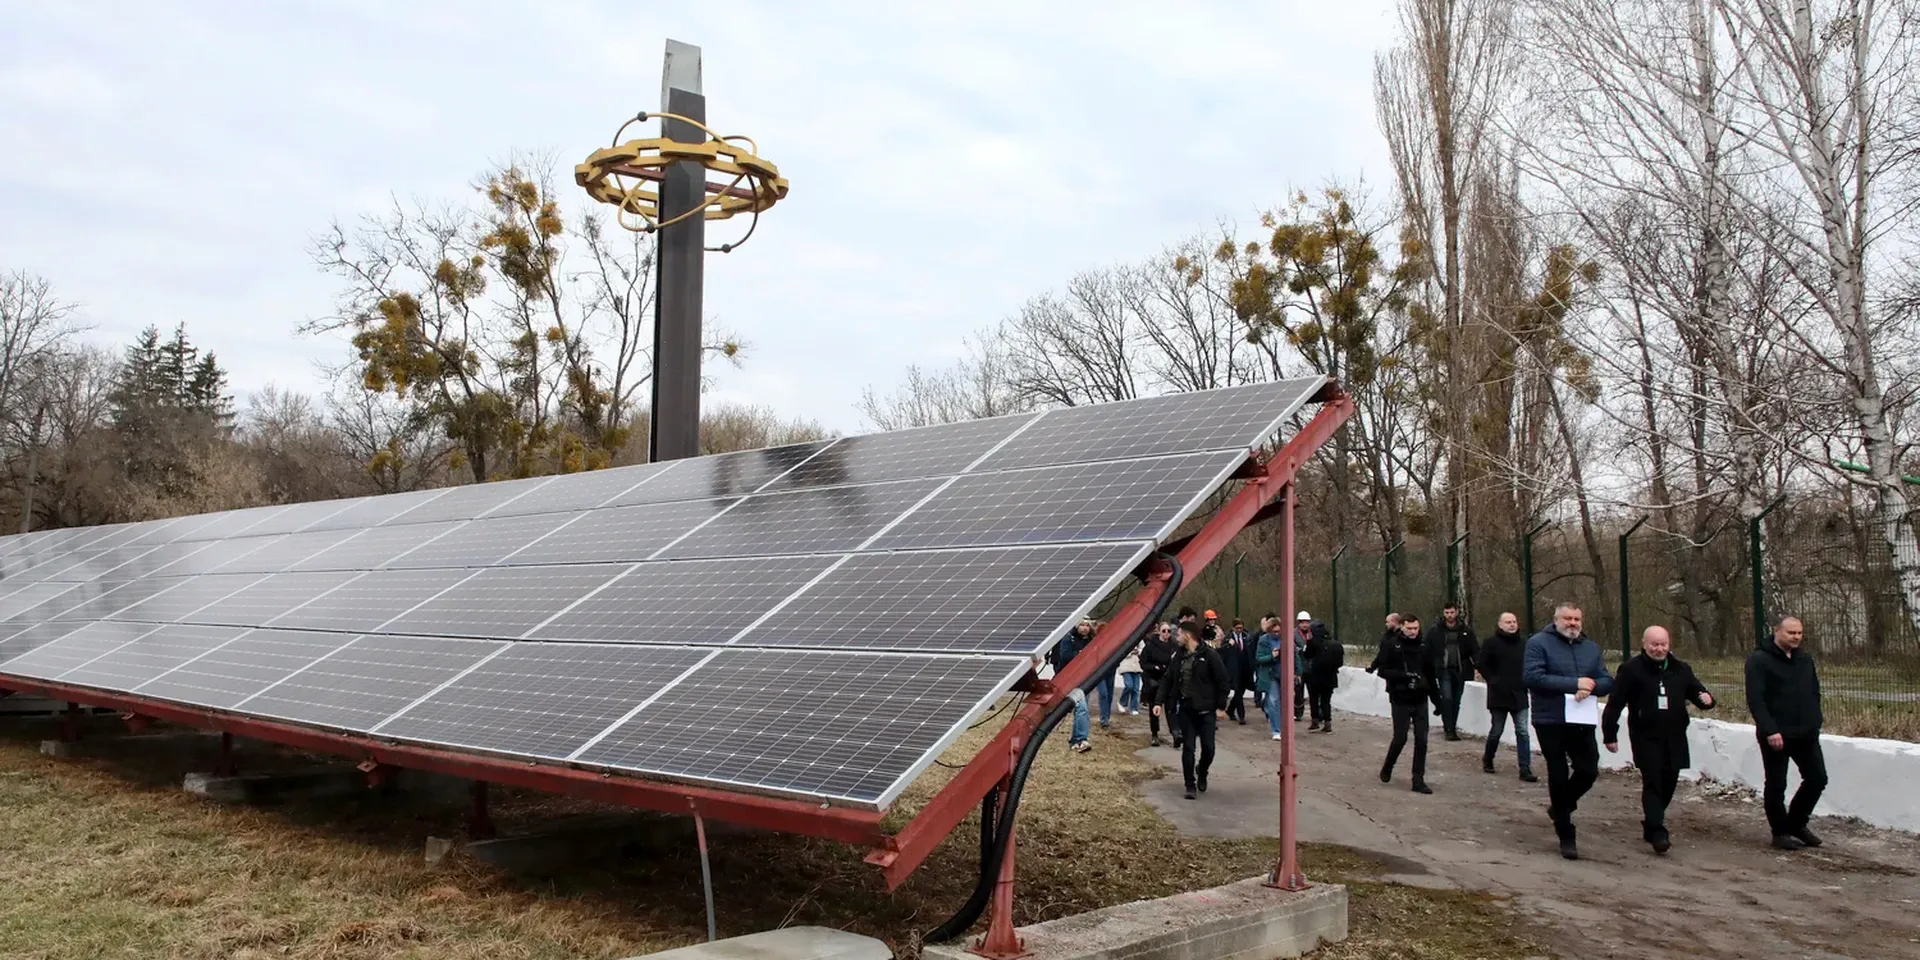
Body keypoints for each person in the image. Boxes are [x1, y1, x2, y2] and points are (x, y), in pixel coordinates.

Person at [1604, 624, 1715, 854]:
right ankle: (1657, 830)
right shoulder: (1632, 669)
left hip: (1674, 736)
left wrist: (1707, 700)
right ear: (1644, 644)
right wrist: (1609, 734)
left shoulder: (1680, 669)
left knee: (1669, 781)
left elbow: (1697, 692)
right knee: (1653, 780)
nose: (1659, 648)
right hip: (1646, 736)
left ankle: (1651, 821)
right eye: (1654, 644)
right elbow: (1615, 703)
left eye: (1663, 644)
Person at [1524, 602, 1614, 860]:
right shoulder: (1538, 643)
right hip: (1549, 718)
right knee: (1558, 772)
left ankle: (1561, 806)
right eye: (1568, 618)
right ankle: (1566, 832)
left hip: (1580, 718)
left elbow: (1607, 680)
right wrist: (1572, 684)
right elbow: (1532, 677)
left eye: (1577, 619)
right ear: (1556, 620)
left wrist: (1592, 686)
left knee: (1588, 769)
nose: (1573, 623)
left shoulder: (1591, 648)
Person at [1746, 616, 1827, 851]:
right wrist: (1770, 730)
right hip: (1777, 734)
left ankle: (1796, 823)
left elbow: (1814, 691)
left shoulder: (1804, 660)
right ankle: (1779, 832)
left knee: (1817, 778)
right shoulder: (1759, 660)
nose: (1796, 637)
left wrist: (1815, 720)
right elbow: (1756, 699)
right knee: (1776, 784)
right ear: (1777, 631)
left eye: (1800, 633)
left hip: (1806, 732)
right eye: (1791, 633)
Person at [1153, 620, 1229, 800]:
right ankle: (1189, 784)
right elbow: (1167, 679)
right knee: (1188, 748)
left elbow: (1223, 681)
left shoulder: (1209, 655)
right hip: (1186, 710)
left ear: (1187, 636)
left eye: (1178, 634)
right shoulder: (1178, 657)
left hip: (1206, 711)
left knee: (1209, 749)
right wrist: (1158, 702)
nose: (1176, 638)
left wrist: (1220, 707)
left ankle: (1202, 771)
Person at [1371, 614, 1435, 793]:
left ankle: (1418, 779)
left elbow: (1431, 673)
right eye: (1410, 628)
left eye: (1416, 628)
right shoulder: (1392, 645)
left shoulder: (1424, 646)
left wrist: (1437, 700)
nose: (1414, 632)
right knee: (1401, 737)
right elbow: (1382, 671)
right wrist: (1403, 676)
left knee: (1422, 739)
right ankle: (1388, 766)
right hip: (1400, 697)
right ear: (1402, 627)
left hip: (1420, 698)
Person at [1476, 611, 1537, 782]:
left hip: (1519, 693)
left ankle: (1525, 768)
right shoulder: (1491, 643)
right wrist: (1493, 680)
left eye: (1514, 621)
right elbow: (1481, 664)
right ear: (1500, 624)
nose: (1512, 625)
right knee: (1497, 730)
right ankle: (1488, 758)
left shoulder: (1524, 644)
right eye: (1508, 622)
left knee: (1523, 731)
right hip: (1499, 694)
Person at [1425, 603, 1478, 741]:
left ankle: (1452, 726)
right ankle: (1448, 729)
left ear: (1456, 613)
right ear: (1444, 613)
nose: (1449, 615)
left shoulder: (1466, 631)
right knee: (1447, 699)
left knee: (1456, 701)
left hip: (1460, 670)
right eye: (1447, 612)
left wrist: (1478, 666)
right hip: (1443, 670)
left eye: (1452, 612)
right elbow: (1427, 650)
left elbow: (1475, 650)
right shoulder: (1435, 631)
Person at [1050, 620, 1094, 753]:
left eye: (1087, 626)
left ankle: (1076, 741)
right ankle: (1081, 739)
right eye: (1082, 625)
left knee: (1082, 709)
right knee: (1082, 708)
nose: (1085, 628)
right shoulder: (1069, 638)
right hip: (1070, 679)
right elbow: (1065, 656)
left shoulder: (1092, 640)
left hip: (1085, 678)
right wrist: (1082, 654)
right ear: (1077, 626)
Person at [1140, 621, 1177, 747]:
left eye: (1169, 631)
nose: (1166, 633)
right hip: (1155, 680)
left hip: (1170, 681)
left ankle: (1175, 732)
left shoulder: (1174, 645)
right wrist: (1155, 667)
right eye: (1164, 631)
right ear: (1159, 632)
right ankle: (1155, 734)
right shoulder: (1151, 646)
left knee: (1171, 708)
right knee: (1155, 708)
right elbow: (1143, 663)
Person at [1304, 615, 1343, 732]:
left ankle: (1315, 721)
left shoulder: (1313, 643)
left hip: (1315, 677)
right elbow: (1340, 663)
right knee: (1326, 700)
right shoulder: (1336, 644)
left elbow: (1307, 655)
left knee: (1314, 699)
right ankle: (1327, 722)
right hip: (1330, 677)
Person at [1254, 616, 1290, 741]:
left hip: (1285, 674)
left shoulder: (1286, 639)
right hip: (1271, 675)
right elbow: (1259, 658)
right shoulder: (1264, 640)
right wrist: (1271, 656)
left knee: (1283, 702)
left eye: (1278, 631)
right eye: (1274, 631)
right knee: (1274, 700)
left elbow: (1294, 655)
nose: (1276, 634)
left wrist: (1298, 672)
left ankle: (1284, 727)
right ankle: (1276, 730)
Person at [1219, 618, 1253, 724]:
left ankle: (1230, 710)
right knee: (1237, 692)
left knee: (1240, 692)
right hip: (1233, 669)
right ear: (1233, 628)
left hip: (1244, 668)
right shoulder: (1228, 638)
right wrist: (1229, 645)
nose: (1239, 630)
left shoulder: (1246, 637)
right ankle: (1241, 716)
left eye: (1241, 628)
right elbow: (1221, 651)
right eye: (1237, 628)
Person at [1117, 641, 1143, 716]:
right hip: (1126, 666)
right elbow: (1121, 651)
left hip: (1136, 666)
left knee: (1136, 689)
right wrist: (1131, 652)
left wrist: (1138, 651)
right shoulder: (1123, 637)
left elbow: (1143, 648)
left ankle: (1134, 708)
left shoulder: (1139, 639)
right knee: (1129, 685)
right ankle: (1122, 702)